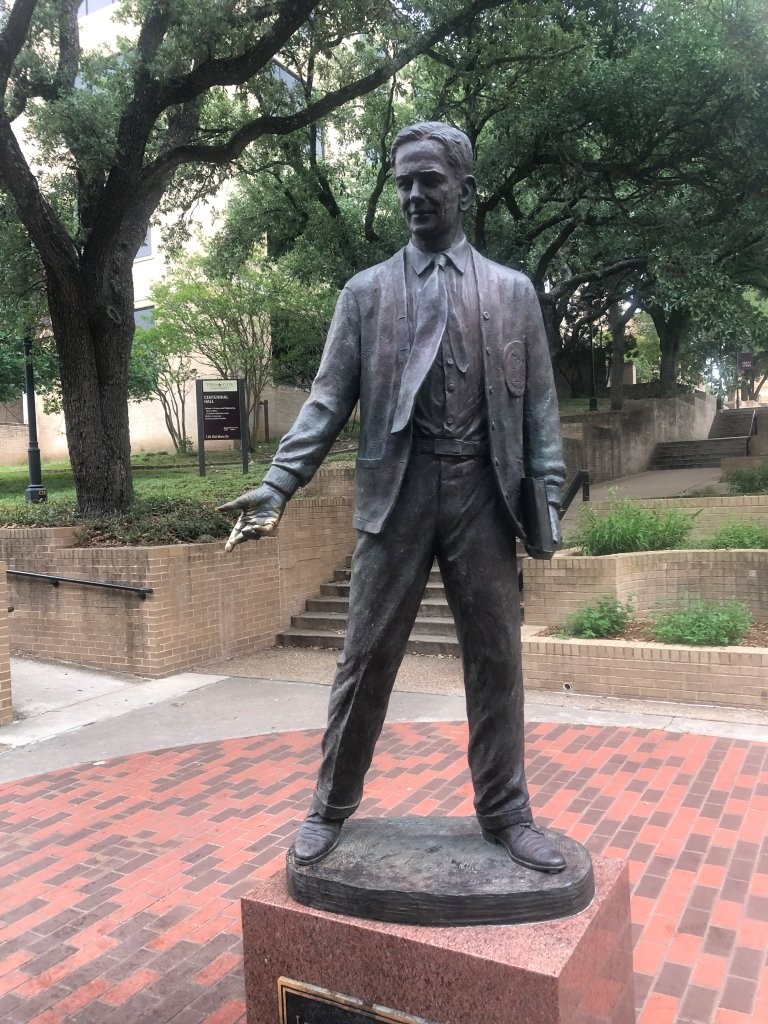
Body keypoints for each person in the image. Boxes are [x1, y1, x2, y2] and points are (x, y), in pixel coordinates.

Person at [220, 122, 566, 874]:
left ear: (464, 190)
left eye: (428, 181)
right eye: (403, 181)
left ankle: (506, 811)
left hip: (484, 493)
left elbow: (540, 410)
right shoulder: (365, 295)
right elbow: (324, 402)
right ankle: (330, 806)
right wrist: (279, 483)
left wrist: (548, 506)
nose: (411, 195)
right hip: (396, 494)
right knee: (366, 656)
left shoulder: (513, 294)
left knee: (496, 661)